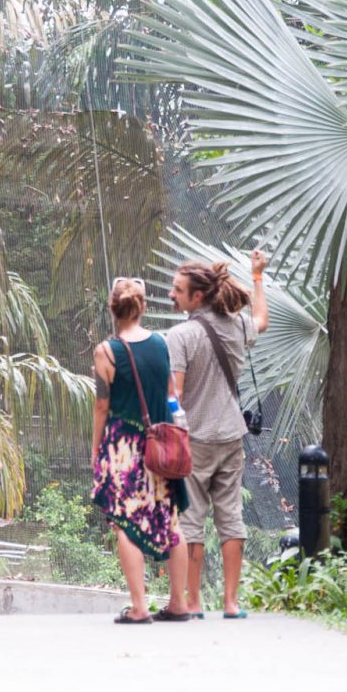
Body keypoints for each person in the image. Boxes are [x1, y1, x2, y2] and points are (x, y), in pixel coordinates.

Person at [166, 253, 269, 619]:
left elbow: (173, 394)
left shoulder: (180, 336)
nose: (171, 294)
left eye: (178, 290)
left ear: (197, 298)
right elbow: (262, 320)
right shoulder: (237, 326)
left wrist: (170, 433)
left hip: (193, 440)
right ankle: (230, 602)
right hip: (231, 436)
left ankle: (193, 602)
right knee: (231, 517)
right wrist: (257, 277)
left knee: (191, 520)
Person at [89, 276, 193, 624]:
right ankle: (178, 603)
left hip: (123, 447)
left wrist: (96, 449)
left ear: (112, 309)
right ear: (142, 307)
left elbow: (102, 405)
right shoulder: (161, 344)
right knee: (171, 520)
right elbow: (170, 392)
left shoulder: (106, 352)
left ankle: (139, 606)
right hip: (161, 445)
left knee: (125, 521)